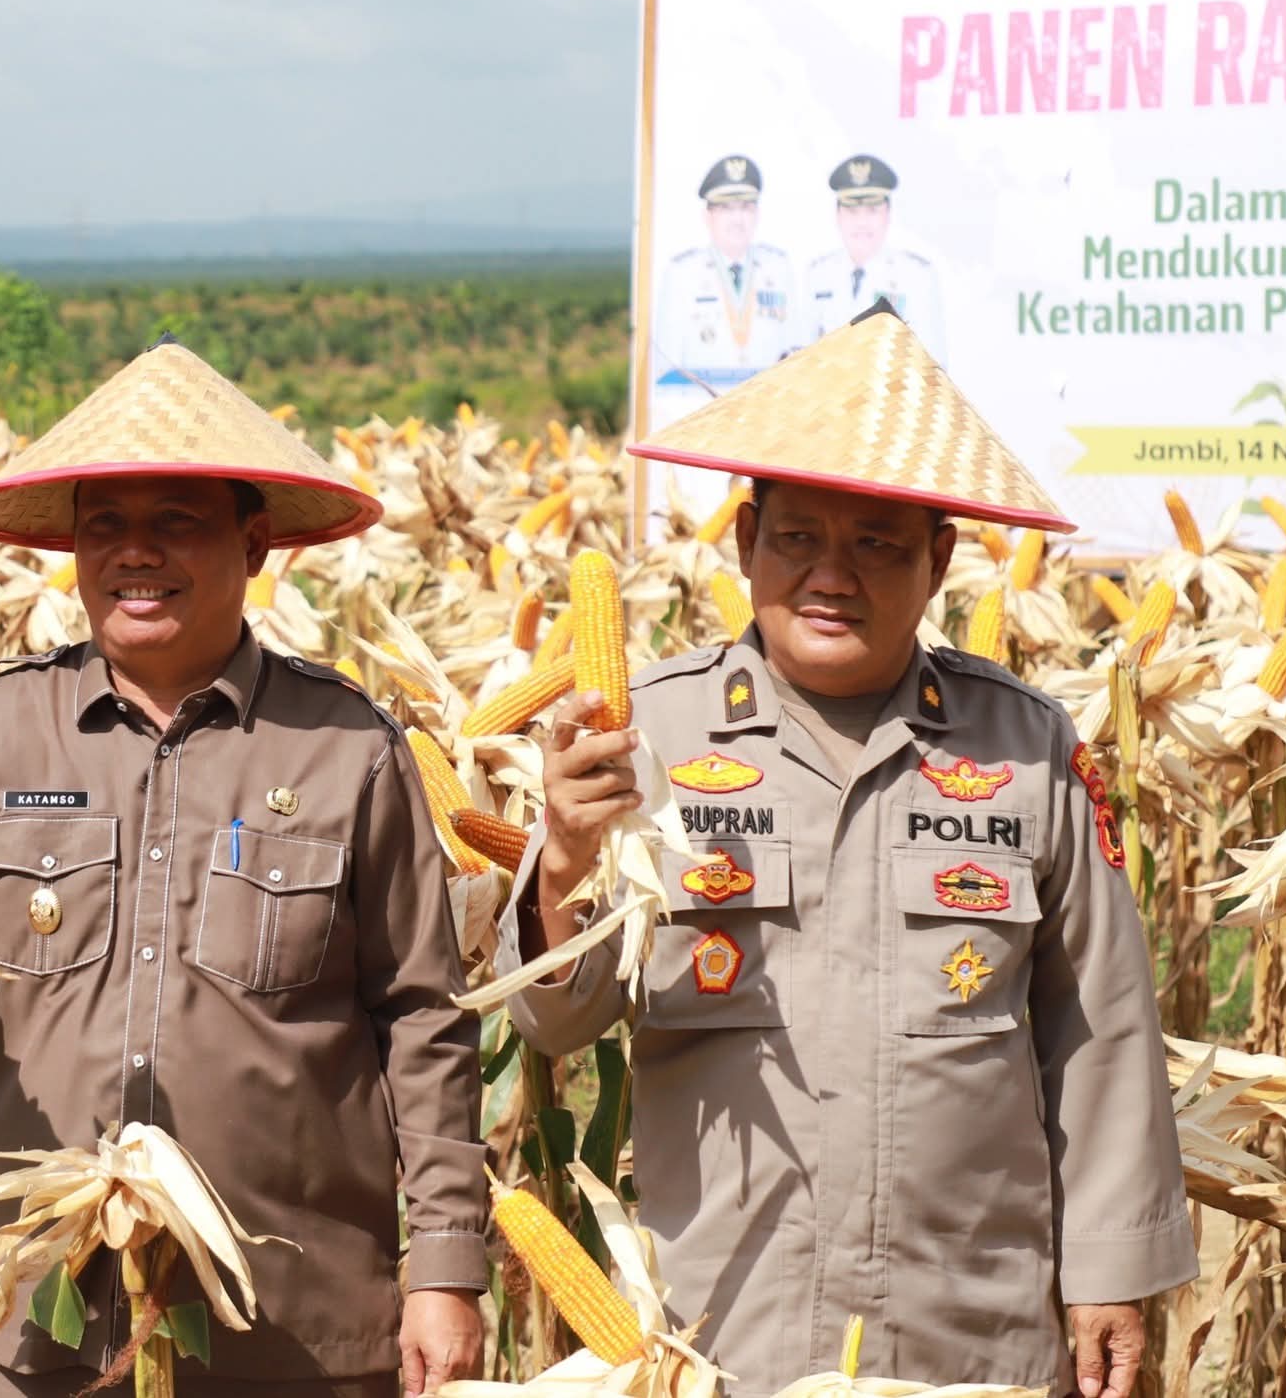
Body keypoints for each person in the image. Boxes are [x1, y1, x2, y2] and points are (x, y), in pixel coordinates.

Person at [497, 306, 1194, 1398]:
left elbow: (1098, 1023)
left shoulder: (1025, 746)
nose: (833, 574)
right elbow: (556, 1016)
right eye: (797, 539)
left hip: (970, 1326)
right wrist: (564, 866)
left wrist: (1110, 1268)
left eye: (875, 542)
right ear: (743, 545)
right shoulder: (650, 734)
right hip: (725, 1325)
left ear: (938, 560)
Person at [0, 338, 487, 1398]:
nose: (133, 553)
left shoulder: (349, 749)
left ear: (253, 546)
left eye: (174, 524)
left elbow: (422, 1016)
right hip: (47, 1313)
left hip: (293, 1326)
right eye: (104, 525)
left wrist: (444, 1268)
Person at [655, 155, 798, 382]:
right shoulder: (681, 274)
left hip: (771, 408)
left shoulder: (779, 269)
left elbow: (798, 351)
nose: (737, 219)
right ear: (708, 215)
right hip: (702, 407)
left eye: (745, 208)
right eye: (726, 209)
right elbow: (666, 366)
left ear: (757, 214)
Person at [802, 155, 945, 356]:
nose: (862, 222)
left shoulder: (917, 276)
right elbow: (800, 358)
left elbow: (933, 364)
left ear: (888, 213)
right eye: (852, 211)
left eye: (872, 210)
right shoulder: (817, 274)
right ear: (838, 215)